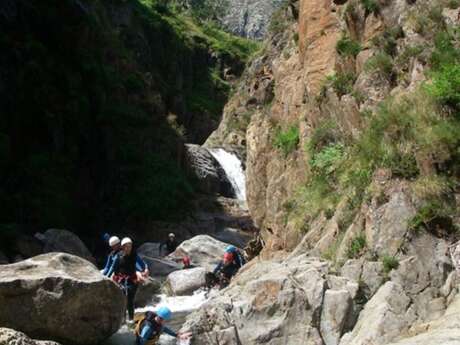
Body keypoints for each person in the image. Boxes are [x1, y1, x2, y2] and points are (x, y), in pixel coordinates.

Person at [105, 237, 149, 322]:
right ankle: (123, 319)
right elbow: (112, 268)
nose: (129, 248)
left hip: (132, 280)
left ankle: (131, 319)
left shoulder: (134, 254)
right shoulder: (118, 256)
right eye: (127, 246)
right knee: (123, 300)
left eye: (130, 246)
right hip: (120, 280)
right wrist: (106, 277)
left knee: (130, 300)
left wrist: (145, 269)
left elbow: (142, 264)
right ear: (123, 247)